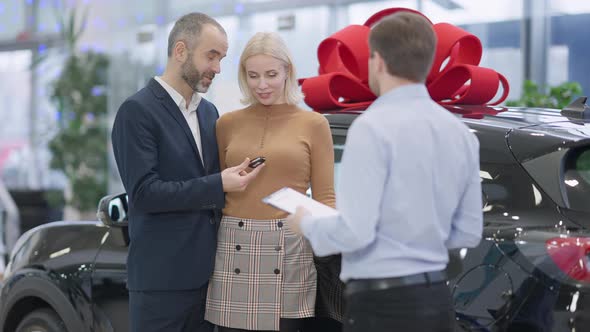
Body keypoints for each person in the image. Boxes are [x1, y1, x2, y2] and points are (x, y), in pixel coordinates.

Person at [287, 12, 483, 332]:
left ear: (377, 61)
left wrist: (306, 223)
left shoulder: (372, 128)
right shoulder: (458, 131)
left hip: (384, 306)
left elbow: (356, 231)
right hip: (439, 301)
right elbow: (469, 232)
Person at [111, 12, 263, 332]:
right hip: (161, 286)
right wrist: (218, 184)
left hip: (210, 283)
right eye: (211, 56)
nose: (218, 68)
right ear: (180, 51)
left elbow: (209, 182)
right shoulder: (136, 112)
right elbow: (144, 193)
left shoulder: (209, 113)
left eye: (221, 58)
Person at [205, 32, 338, 332]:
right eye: (253, 76)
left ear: (288, 71)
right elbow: (217, 187)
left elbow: (326, 198)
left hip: (290, 247)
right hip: (232, 245)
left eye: (271, 74)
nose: (262, 85)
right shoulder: (226, 123)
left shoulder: (314, 124)